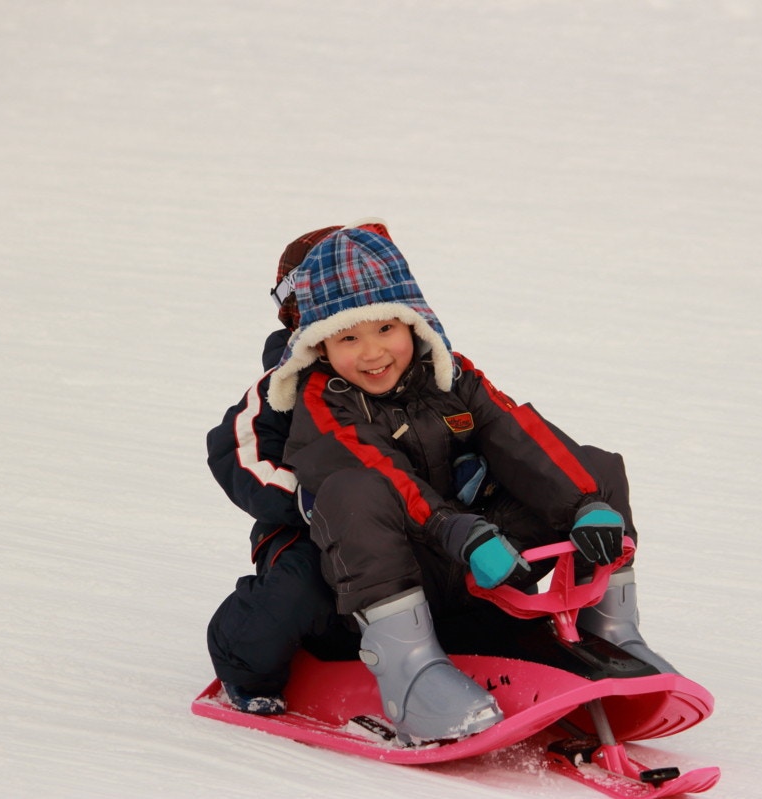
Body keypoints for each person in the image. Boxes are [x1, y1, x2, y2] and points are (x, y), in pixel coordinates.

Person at [270, 222, 676, 743]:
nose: (372, 354)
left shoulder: (452, 375)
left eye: (386, 330)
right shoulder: (324, 403)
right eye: (349, 337)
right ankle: (409, 670)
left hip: (479, 557)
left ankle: (611, 634)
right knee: (356, 490)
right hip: (399, 572)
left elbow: (518, 437)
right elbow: (385, 475)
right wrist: (455, 529)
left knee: (592, 468)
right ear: (321, 346)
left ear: (415, 323)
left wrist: (585, 506)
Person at [203, 224, 361, 716]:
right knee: (300, 590)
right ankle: (244, 661)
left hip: (407, 529)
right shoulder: (282, 386)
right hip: (308, 535)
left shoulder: (407, 366)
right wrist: (303, 496)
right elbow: (239, 449)